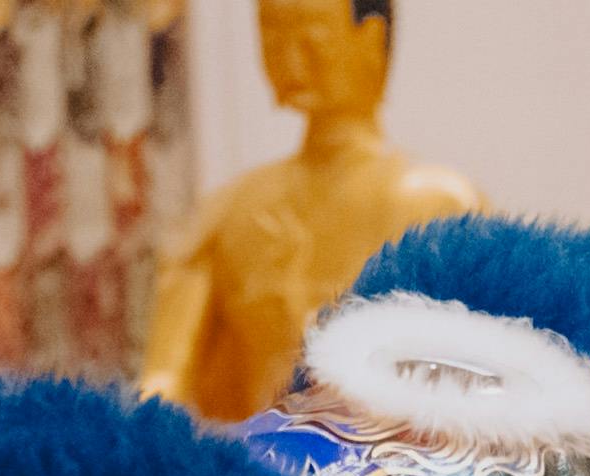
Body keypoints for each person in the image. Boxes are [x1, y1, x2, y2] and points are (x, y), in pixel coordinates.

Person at [138, 0, 481, 421]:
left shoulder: (437, 205)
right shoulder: (227, 212)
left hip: (397, 471)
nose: (287, 51)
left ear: (369, 37)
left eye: (309, 30)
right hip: (265, 467)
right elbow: (163, 381)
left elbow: (478, 387)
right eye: (272, 32)